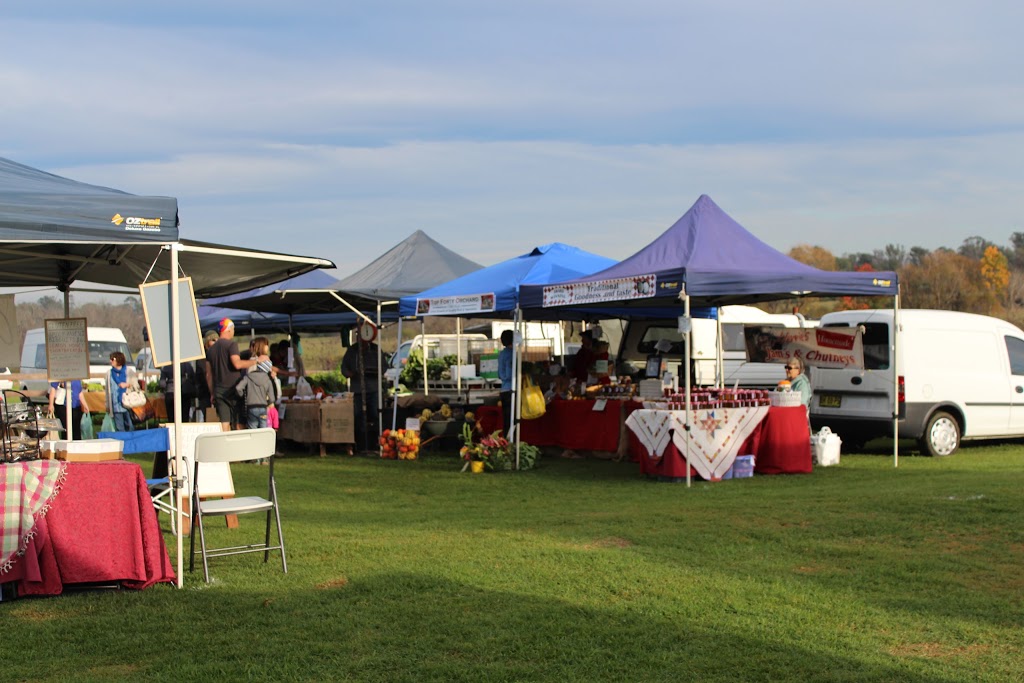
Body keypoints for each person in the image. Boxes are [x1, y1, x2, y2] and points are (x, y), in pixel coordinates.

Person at [205, 318, 266, 429]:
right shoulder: (231, 345)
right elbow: (237, 364)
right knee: (239, 422)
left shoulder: (210, 350)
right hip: (234, 389)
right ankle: (240, 446)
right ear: (229, 330)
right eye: (233, 329)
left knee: (224, 422)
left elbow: (209, 375)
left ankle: (226, 445)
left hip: (219, 390)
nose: (233, 332)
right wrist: (257, 361)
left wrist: (212, 393)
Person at [341, 330, 380, 452]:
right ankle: (360, 444)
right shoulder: (352, 351)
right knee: (358, 417)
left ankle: (376, 442)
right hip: (357, 390)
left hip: (373, 389)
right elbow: (344, 368)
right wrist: (350, 374)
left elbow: (383, 367)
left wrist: (375, 372)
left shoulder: (375, 350)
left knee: (374, 414)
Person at [236, 337, 278, 431]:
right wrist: (271, 401)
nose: (268, 347)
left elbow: (242, 386)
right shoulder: (256, 362)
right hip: (263, 402)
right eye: (266, 344)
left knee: (253, 429)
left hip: (253, 403)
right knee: (263, 428)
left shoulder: (258, 361)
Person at [105, 351, 139, 432]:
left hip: (128, 404)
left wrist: (127, 385)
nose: (110, 361)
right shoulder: (109, 373)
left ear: (119, 360)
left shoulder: (129, 371)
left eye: (112, 359)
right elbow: (107, 391)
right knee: (119, 428)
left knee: (130, 426)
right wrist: (107, 405)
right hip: (116, 405)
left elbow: (136, 387)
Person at [193, 330, 218, 421]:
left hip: (215, 392)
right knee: (210, 418)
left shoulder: (217, 354)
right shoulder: (202, 357)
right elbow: (205, 375)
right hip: (205, 394)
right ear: (207, 342)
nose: (216, 342)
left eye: (217, 339)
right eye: (213, 340)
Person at [497, 329, 514, 436]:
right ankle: (510, 441)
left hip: (503, 389)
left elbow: (500, 374)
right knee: (512, 419)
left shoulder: (502, 354)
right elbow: (509, 373)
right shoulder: (511, 354)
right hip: (511, 389)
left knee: (506, 419)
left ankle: (505, 441)